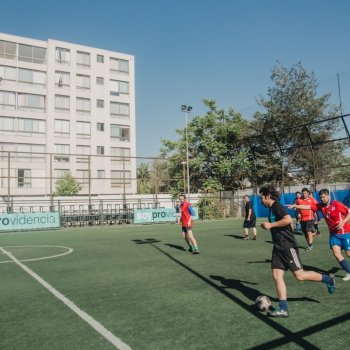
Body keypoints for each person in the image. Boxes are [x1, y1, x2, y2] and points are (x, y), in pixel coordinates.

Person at [259, 185, 335, 318]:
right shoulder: (272, 209)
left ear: (268, 196)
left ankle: (328, 279)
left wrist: (270, 225)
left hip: (288, 246)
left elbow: (288, 219)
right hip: (278, 247)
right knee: (277, 275)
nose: (260, 200)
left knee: (300, 276)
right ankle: (283, 308)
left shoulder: (277, 206)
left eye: (261, 197)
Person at [288, 188, 350, 281]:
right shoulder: (321, 206)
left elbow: (349, 212)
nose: (322, 199)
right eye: (321, 197)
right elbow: (308, 207)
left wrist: (343, 222)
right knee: (336, 254)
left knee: (348, 254)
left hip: (344, 232)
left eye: (324, 197)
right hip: (333, 234)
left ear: (328, 196)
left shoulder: (337, 204)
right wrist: (295, 206)